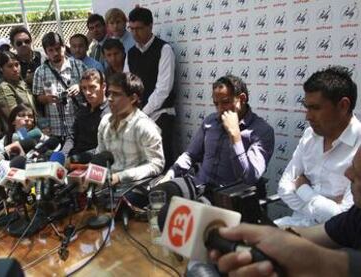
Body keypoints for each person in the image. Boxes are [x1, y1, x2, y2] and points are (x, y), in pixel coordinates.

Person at [209, 144, 361, 277]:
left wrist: (302, 188)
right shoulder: (356, 216)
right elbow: (286, 190)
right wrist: (263, 236)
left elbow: (332, 214)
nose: (348, 174)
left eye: (359, 172)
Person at [159, 75, 274, 199]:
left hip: (229, 196)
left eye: (225, 102)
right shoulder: (210, 121)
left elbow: (249, 178)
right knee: (159, 193)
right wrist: (170, 174)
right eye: (216, 104)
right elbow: (190, 155)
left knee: (190, 211)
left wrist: (235, 136)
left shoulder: (262, 131)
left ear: (242, 98)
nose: (220, 109)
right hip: (198, 186)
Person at [276, 66, 360, 227]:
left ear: (343, 106)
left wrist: (303, 188)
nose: (307, 116)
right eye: (307, 107)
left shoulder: (359, 147)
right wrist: (323, 207)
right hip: (295, 224)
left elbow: (344, 220)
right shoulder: (309, 135)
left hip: (336, 242)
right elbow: (284, 187)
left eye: (315, 108)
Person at [126, 7, 176, 170]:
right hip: (138, 115)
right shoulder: (131, 53)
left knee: (161, 162)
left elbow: (163, 90)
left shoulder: (164, 49)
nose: (134, 33)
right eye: (131, 29)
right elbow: (126, 84)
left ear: (150, 26)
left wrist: (142, 114)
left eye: (139, 28)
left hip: (160, 113)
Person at [96, 72, 164, 186]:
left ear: (133, 98)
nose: (110, 99)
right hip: (105, 185)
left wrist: (120, 177)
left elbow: (157, 164)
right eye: (109, 93)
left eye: (116, 94)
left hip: (134, 188)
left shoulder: (145, 126)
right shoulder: (104, 121)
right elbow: (100, 155)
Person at [32, 32, 86, 152]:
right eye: (51, 50)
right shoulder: (40, 72)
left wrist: (80, 87)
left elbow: (92, 87)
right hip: (55, 130)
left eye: (58, 48)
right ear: (46, 52)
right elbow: (37, 97)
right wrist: (47, 99)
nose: (55, 53)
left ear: (64, 47)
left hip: (78, 126)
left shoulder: (78, 65)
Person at [0, 51, 36, 133]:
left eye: (17, 65)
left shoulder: (22, 84)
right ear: (1, 69)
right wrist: (25, 139)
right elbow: (15, 120)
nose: (15, 69)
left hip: (32, 131)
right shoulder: (4, 89)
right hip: (18, 136)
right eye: (10, 66)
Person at [70, 68, 109, 156]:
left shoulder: (110, 113)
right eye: (84, 88)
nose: (87, 92)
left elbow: (105, 148)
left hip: (94, 163)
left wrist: (76, 159)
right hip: (72, 159)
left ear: (103, 87)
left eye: (92, 87)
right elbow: (72, 135)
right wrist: (62, 155)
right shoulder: (82, 108)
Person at [9, 26, 45, 91]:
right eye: (19, 43)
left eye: (27, 41)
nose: (24, 45)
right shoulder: (12, 65)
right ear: (13, 46)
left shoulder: (43, 57)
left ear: (31, 41)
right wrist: (26, 81)